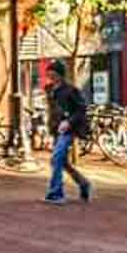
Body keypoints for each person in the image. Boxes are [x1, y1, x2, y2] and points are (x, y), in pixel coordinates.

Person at [40, 60, 93, 205]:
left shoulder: (71, 90)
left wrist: (69, 121)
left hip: (68, 129)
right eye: (49, 72)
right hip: (56, 129)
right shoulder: (50, 89)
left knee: (56, 158)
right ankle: (84, 183)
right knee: (62, 162)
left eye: (53, 73)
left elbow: (81, 109)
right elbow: (52, 110)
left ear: (60, 74)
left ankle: (56, 194)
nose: (50, 75)